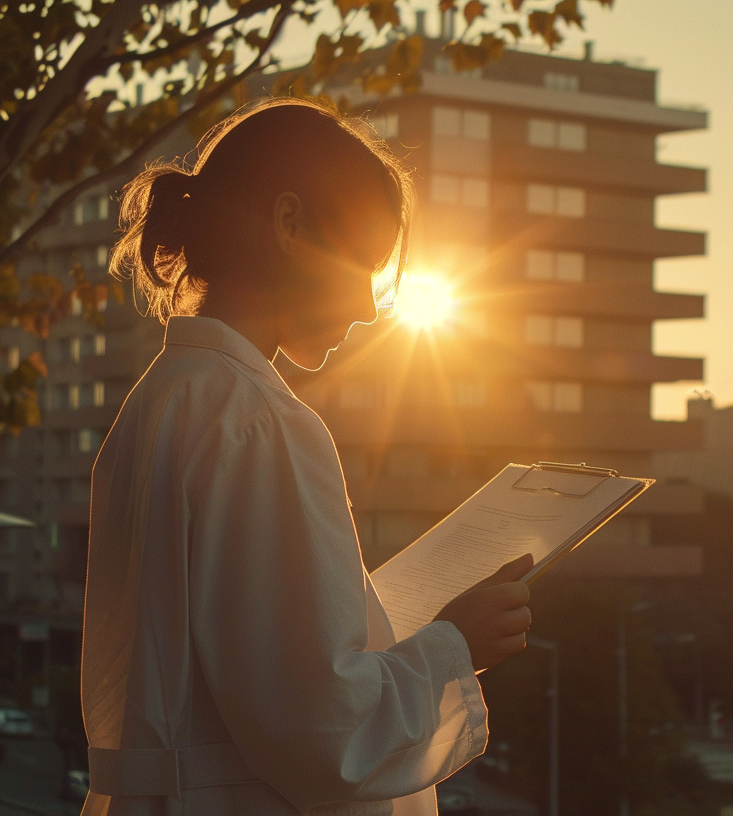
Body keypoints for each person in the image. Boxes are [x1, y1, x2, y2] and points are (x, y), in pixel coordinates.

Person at [80, 98, 532, 816]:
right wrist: (458, 642)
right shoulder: (261, 424)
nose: (373, 306)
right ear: (289, 225)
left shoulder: (162, 400)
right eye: (365, 263)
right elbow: (324, 731)